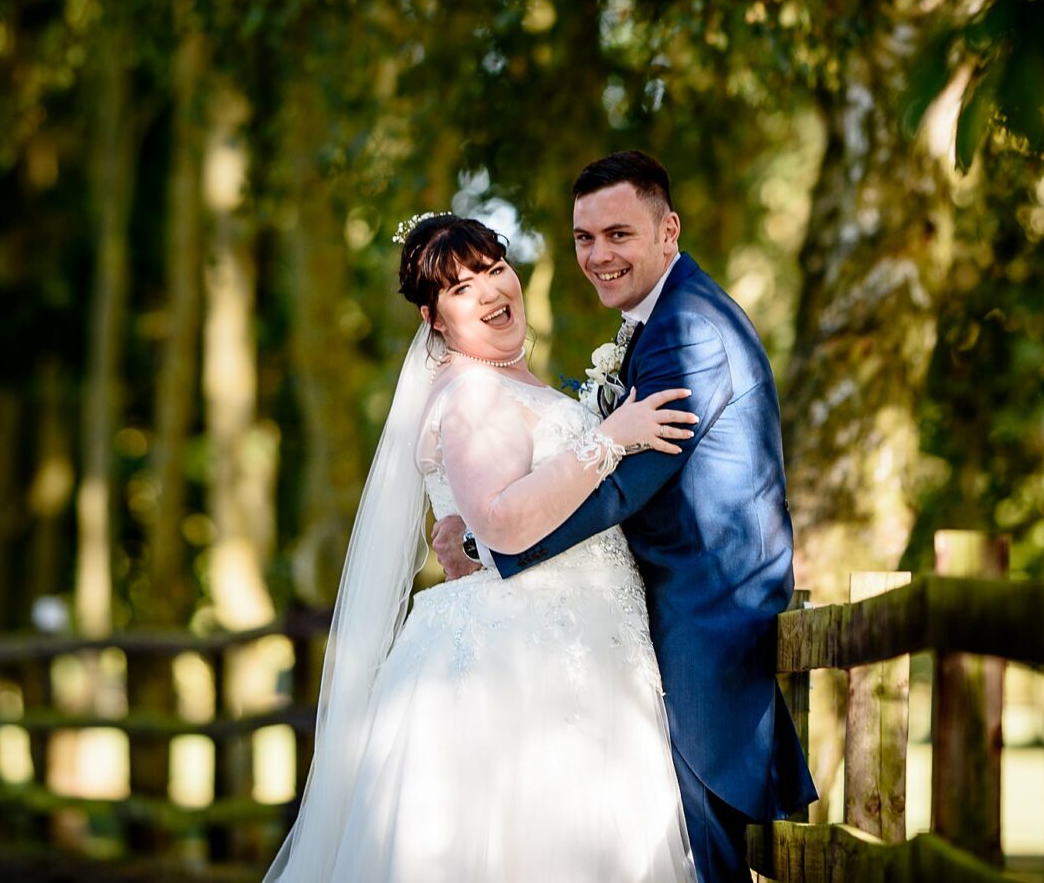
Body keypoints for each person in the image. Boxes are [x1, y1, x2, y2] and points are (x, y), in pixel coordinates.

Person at [263, 211, 702, 883]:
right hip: (519, 665)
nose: (493, 291)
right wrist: (615, 435)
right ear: (434, 319)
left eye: (495, 268)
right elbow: (502, 522)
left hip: (589, 650)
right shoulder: (470, 392)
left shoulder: (514, 384)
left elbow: (491, 525)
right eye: (463, 287)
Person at [432, 151, 817, 883]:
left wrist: (496, 538)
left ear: (667, 229)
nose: (598, 255)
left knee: (702, 862)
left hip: (704, 625)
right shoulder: (662, 318)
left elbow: (627, 484)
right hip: (656, 623)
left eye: (619, 233)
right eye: (584, 238)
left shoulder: (690, 328)